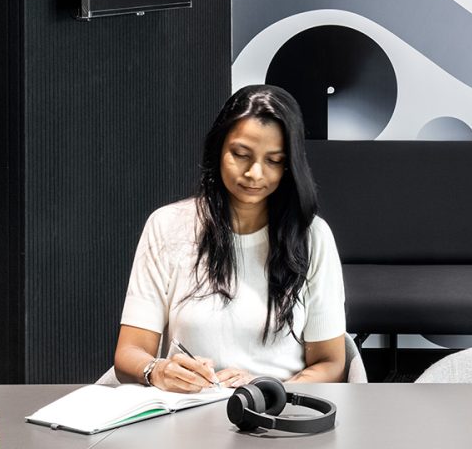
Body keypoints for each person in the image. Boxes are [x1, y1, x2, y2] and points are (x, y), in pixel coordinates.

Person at [113, 84, 348, 391]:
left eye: (274, 161)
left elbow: (330, 364)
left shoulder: (312, 237)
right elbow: (129, 352)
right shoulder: (167, 226)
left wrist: (267, 388)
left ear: (290, 167)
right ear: (218, 149)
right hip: (187, 415)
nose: (255, 173)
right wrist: (157, 370)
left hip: (276, 416)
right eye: (240, 154)